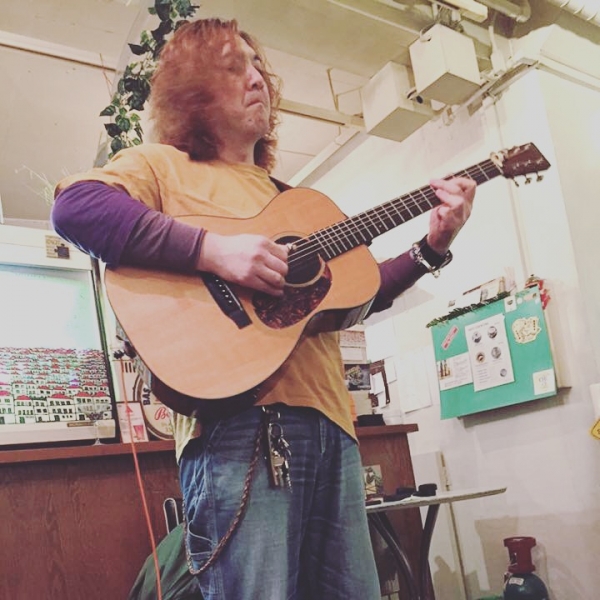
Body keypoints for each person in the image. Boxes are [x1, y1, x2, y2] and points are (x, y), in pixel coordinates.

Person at [52, 17, 476, 600]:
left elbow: (358, 292)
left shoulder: (297, 204)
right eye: (234, 67)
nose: (256, 79)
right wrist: (215, 251)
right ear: (192, 91)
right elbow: (76, 208)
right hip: (239, 429)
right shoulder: (161, 165)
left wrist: (432, 246)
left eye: (257, 67)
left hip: (335, 430)